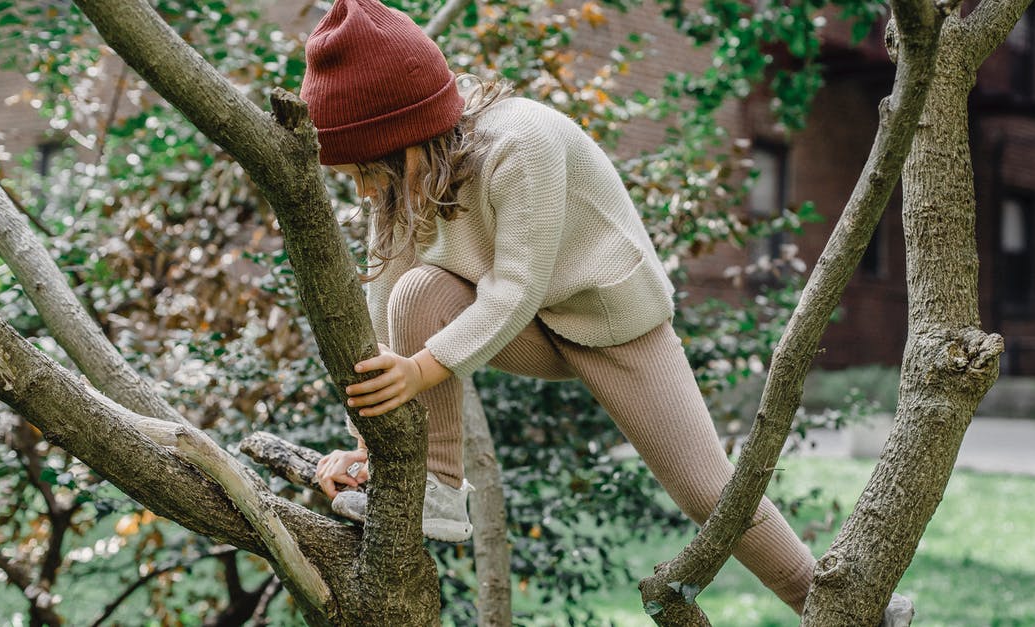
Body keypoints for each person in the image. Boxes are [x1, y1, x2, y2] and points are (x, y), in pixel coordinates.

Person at [301, 0, 912, 621]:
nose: (364, 189)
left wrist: (425, 369)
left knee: (705, 489)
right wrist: (365, 445)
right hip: (521, 326)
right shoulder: (401, 183)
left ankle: (852, 609)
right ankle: (437, 490)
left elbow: (516, 289)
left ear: (404, 133)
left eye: (366, 170)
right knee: (416, 292)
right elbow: (383, 316)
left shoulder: (521, 142)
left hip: (611, 323)